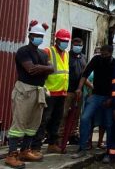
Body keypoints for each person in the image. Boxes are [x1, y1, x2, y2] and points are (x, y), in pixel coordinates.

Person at [5, 21, 53, 168]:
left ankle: (25, 150)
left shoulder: (43, 53)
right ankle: (12, 154)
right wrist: (45, 68)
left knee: (33, 124)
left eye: (41, 36)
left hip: (38, 91)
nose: (38, 37)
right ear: (30, 35)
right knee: (19, 122)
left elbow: (52, 69)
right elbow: (30, 69)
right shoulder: (23, 51)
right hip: (24, 91)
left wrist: (42, 67)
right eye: (36, 35)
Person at [71, 45, 115, 162]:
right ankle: (82, 148)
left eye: (105, 54)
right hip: (96, 95)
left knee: (109, 124)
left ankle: (108, 152)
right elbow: (85, 74)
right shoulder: (96, 59)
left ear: (111, 53)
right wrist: (79, 88)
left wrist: (112, 99)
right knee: (85, 118)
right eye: (101, 54)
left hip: (109, 97)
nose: (103, 56)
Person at [31, 29, 71, 154]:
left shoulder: (66, 54)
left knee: (57, 120)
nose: (64, 43)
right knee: (44, 120)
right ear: (56, 40)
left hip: (62, 92)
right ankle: (36, 147)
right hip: (50, 92)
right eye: (62, 40)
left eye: (66, 41)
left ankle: (52, 144)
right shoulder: (48, 51)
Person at [58, 38, 86, 146]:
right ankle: (60, 137)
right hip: (68, 90)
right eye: (76, 44)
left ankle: (73, 135)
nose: (78, 46)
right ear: (72, 45)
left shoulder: (83, 57)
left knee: (76, 115)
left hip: (79, 91)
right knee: (64, 114)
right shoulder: (66, 56)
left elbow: (84, 73)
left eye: (80, 45)